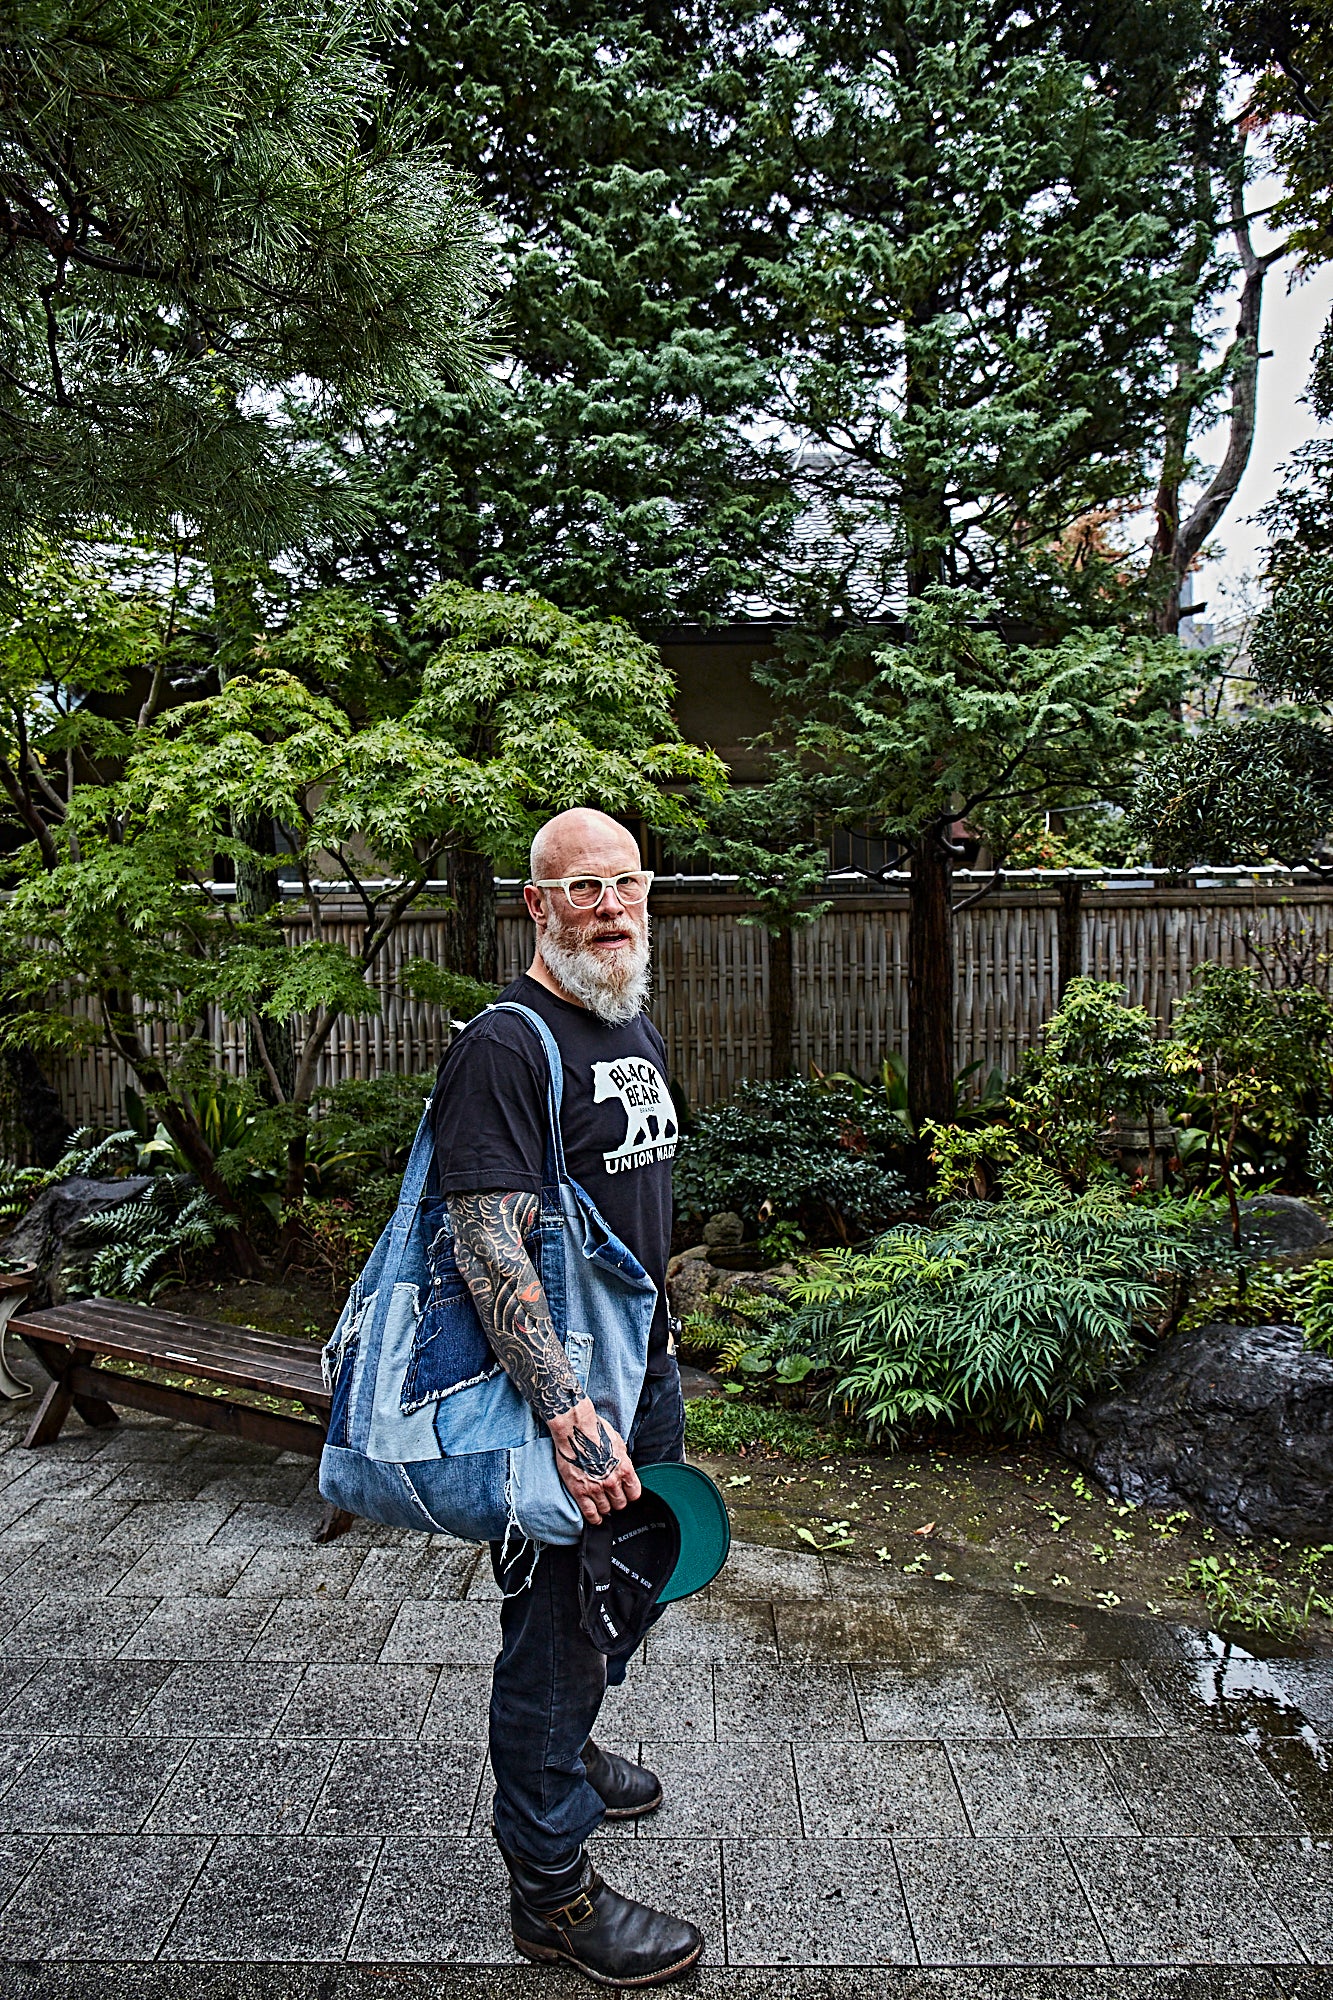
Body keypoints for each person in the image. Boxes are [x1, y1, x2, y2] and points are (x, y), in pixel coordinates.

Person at [431, 807, 703, 1986]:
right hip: (574, 1397)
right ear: (535, 906)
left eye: (625, 883)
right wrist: (564, 1409)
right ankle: (551, 1890)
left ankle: (572, 1738)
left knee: (641, 1574)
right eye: (581, 887)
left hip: (644, 1369)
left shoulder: (621, 1014)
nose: (609, 904)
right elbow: (487, 1242)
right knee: (553, 1626)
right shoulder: (505, 1040)